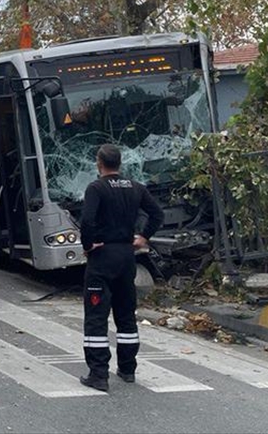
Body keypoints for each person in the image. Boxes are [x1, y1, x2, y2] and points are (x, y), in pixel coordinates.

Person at [78, 143, 164, 391]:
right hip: (127, 256)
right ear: (120, 163)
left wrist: (87, 245)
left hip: (103, 255)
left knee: (96, 317)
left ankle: (98, 374)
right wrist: (143, 237)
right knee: (126, 314)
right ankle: (127, 369)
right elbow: (157, 214)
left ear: (99, 163)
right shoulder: (135, 187)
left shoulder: (96, 188)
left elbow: (87, 220)